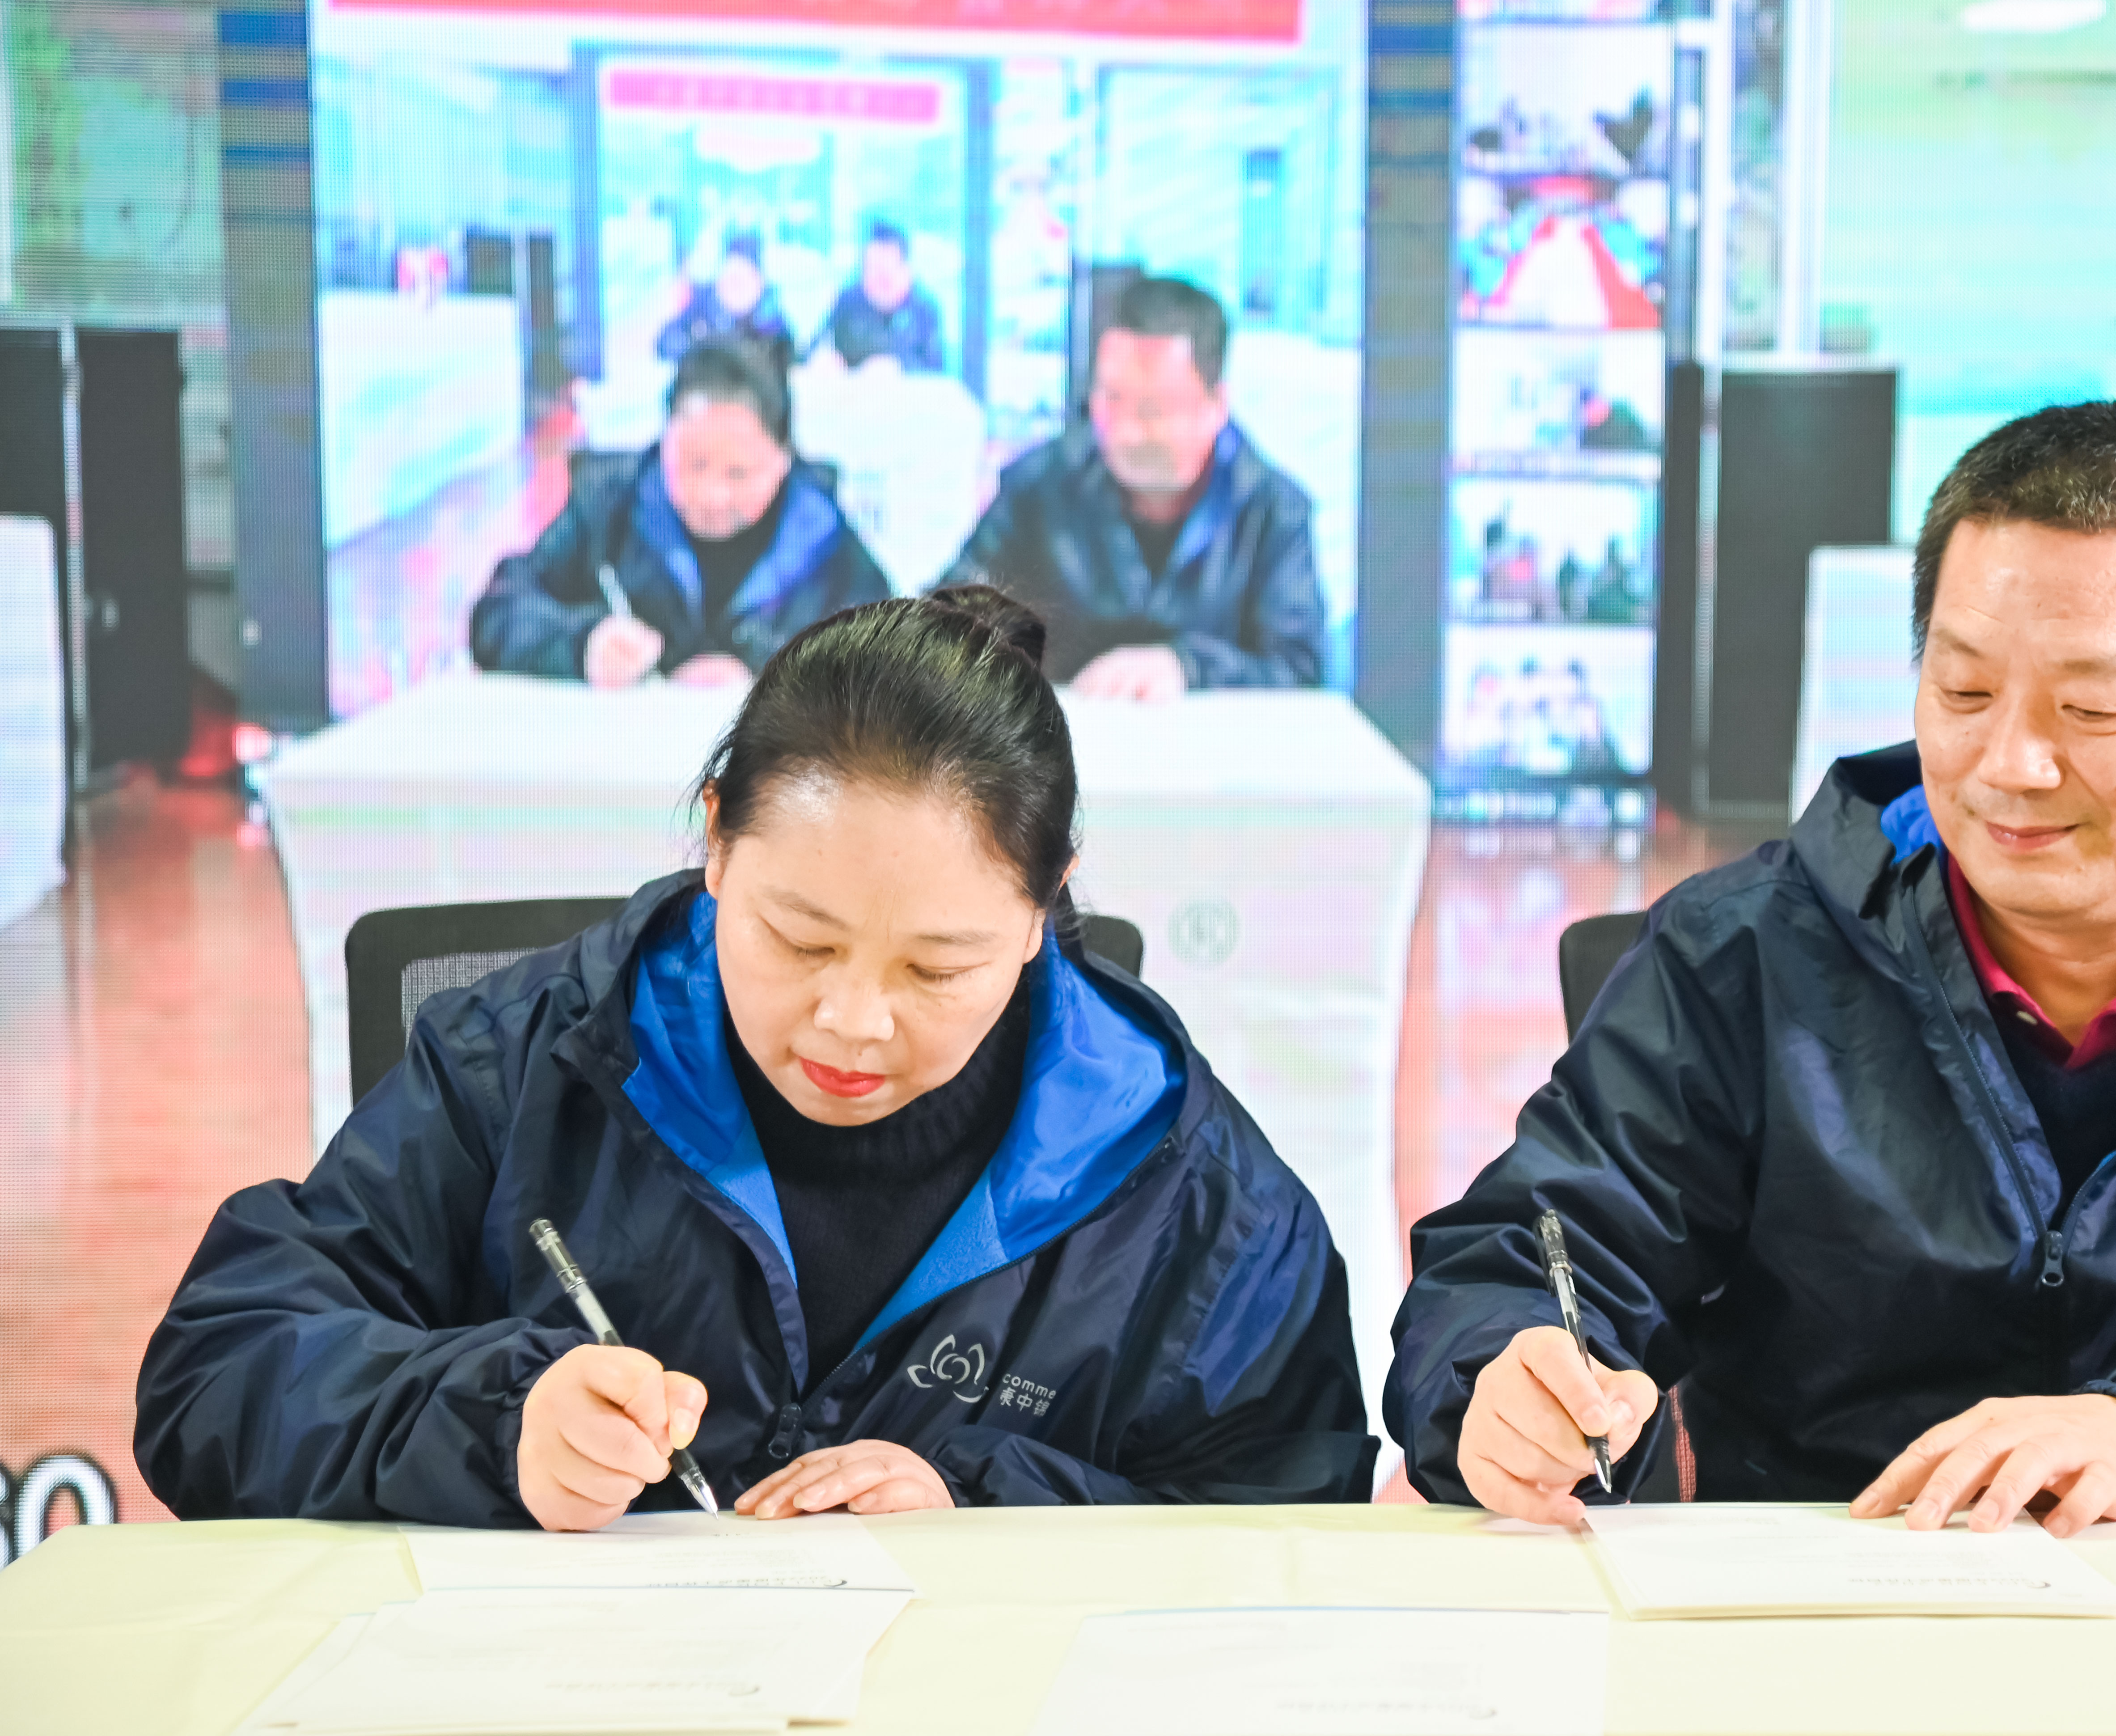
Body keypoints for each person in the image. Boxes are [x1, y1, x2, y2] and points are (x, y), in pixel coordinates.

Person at [1387, 401, 2116, 1534]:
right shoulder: (1741, 956)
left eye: (2090, 709)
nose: (2010, 765)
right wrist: (1502, 1371)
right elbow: (1519, 1262)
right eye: (1964, 692)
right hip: (1807, 1609)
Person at [136, 589, 1378, 1527]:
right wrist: (495, 1425)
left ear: (1046, 906)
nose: (853, 1020)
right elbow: (215, 1367)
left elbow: (1292, 1519)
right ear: (717, 839)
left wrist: (989, 1511)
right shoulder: (530, 1061)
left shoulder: (1181, 1183)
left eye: (936, 968)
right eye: (800, 939)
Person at [939, 276, 1323, 698]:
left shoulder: (1271, 512)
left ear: (1216, 405)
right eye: (1111, 398)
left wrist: (1189, 668)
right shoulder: (1039, 485)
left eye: (1152, 409)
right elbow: (944, 624)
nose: (1125, 432)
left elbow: (1300, 670)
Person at [471, 337, 890, 690]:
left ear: (783, 461)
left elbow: (889, 660)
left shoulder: (823, 534)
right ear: (665, 440)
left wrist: (770, 676)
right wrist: (581, 645)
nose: (713, 496)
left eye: (739, 474)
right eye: (694, 465)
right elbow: (497, 613)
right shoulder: (609, 506)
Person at [808, 219, 946, 374]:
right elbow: (812, 349)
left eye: (886, 271)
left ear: (906, 269)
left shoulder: (925, 308)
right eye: (872, 269)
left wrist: (899, 368)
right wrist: (821, 358)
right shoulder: (848, 300)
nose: (879, 279)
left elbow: (937, 370)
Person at [656, 230, 796, 379]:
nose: (736, 289)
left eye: (743, 281)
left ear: (760, 281)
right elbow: (665, 344)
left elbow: (787, 363)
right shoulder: (702, 303)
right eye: (731, 279)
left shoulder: (771, 318)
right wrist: (697, 348)